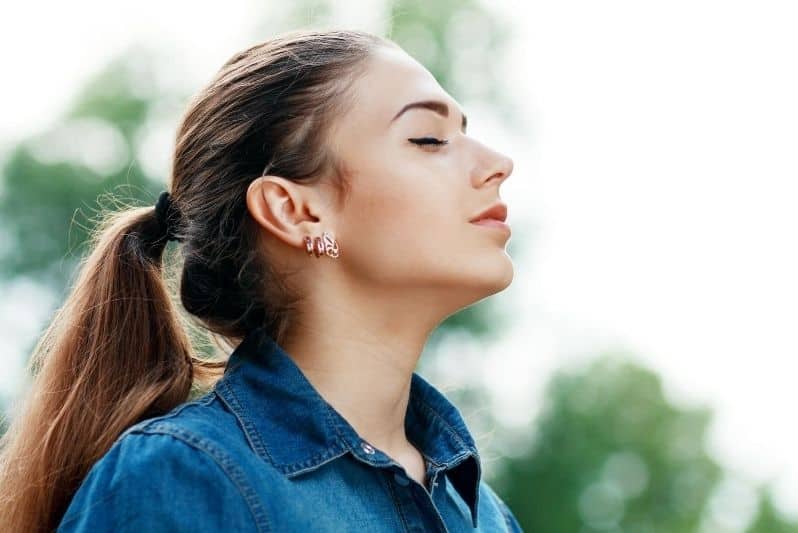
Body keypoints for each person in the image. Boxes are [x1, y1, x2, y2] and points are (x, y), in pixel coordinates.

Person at [0, 29, 521, 532]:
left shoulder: (484, 516)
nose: (498, 164)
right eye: (429, 139)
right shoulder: (183, 480)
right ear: (295, 211)